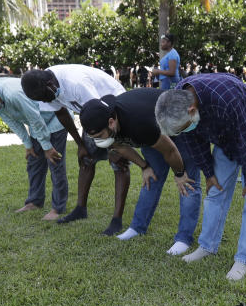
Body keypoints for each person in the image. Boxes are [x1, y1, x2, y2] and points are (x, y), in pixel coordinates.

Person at [155, 73, 246, 281]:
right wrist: (208, 174)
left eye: (182, 127)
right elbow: (193, 139)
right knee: (215, 191)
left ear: (192, 111)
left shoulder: (227, 98)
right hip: (223, 139)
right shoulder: (181, 96)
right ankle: (207, 246)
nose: (184, 131)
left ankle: (243, 260)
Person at [78, 89, 200, 254]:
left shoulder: (139, 122)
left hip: (179, 124)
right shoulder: (101, 119)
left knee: (187, 182)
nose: (99, 140)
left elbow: (170, 151)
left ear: (111, 122)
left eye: (100, 135)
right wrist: (144, 166)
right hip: (151, 132)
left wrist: (179, 173)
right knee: (151, 178)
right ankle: (137, 227)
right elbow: (119, 146)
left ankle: (184, 238)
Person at [20, 64, 130, 235]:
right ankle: (80, 209)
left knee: (119, 162)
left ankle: (117, 220)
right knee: (86, 160)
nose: (45, 101)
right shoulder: (46, 87)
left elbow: (102, 114)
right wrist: (81, 145)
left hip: (115, 112)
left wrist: (112, 148)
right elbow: (62, 113)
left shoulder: (76, 83)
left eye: (45, 97)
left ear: (51, 84)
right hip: (92, 114)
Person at [0, 80, 68, 220]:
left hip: (55, 117)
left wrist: (47, 147)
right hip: (37, 122)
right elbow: (10, 119)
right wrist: (28, 144)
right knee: (34, 162)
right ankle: (34, 202)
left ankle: (57, 208)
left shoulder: (13, 94)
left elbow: (35, 119)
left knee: (55, 163)